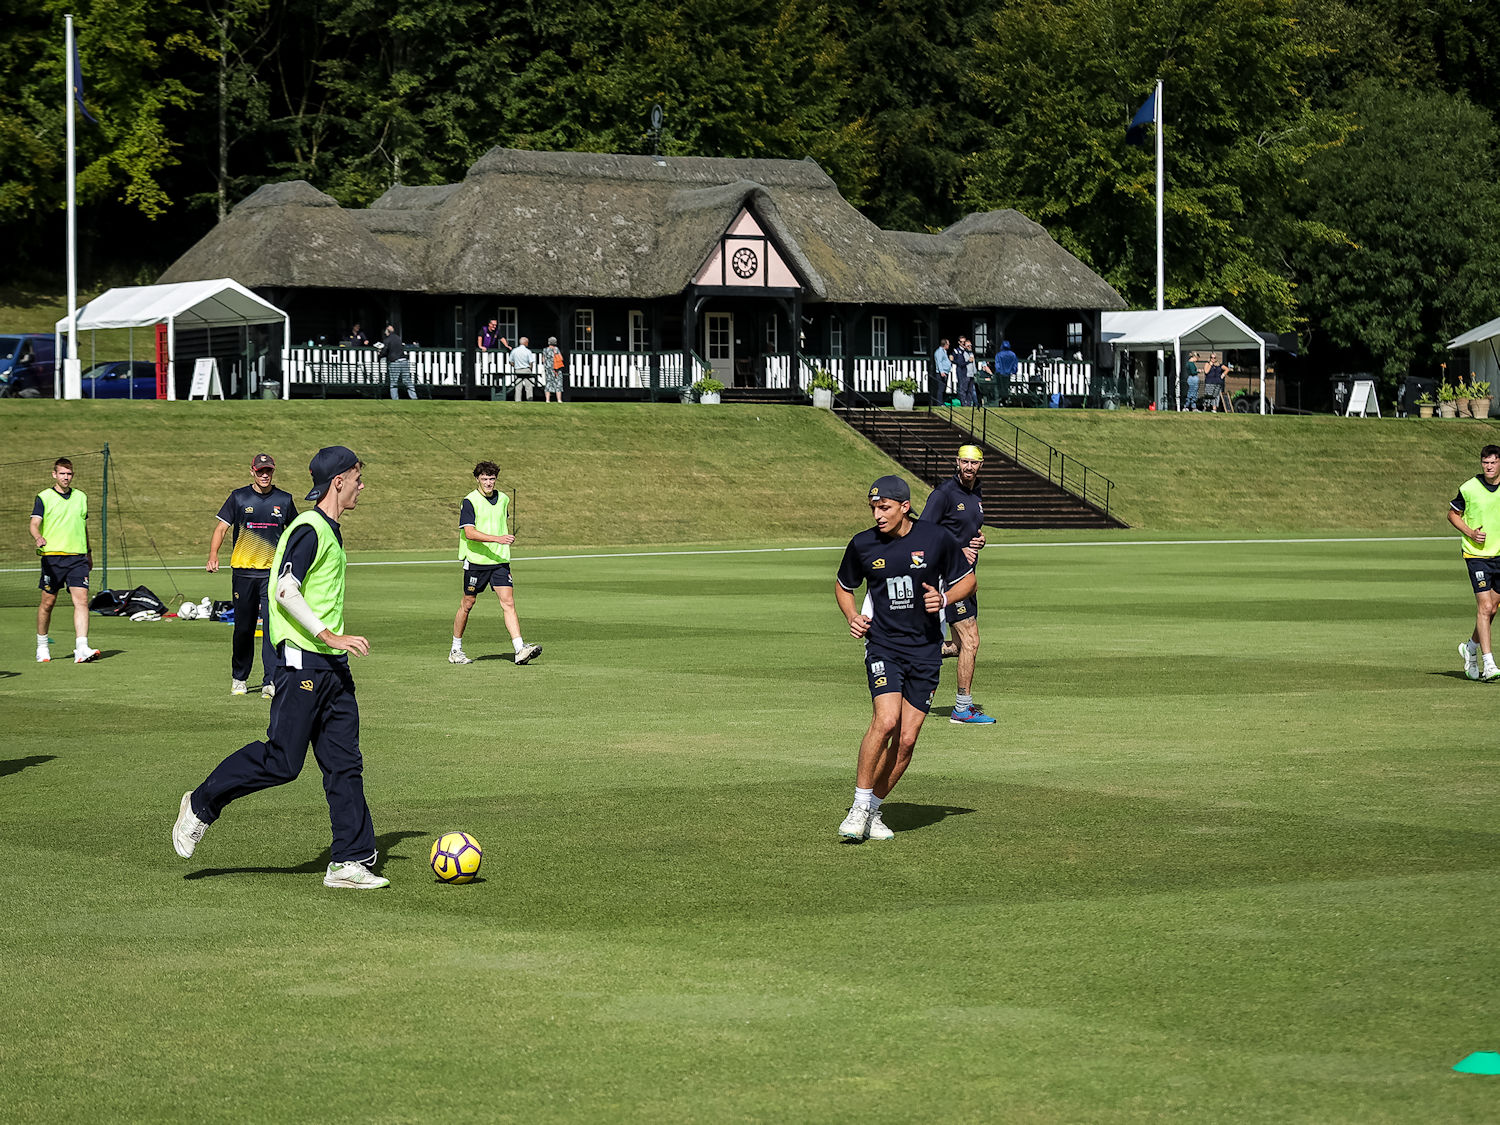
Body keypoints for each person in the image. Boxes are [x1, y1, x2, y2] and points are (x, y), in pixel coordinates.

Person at [173, 446, 389, 890]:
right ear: (338, 482)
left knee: (345, 764)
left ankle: (347, 860)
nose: (362, 485)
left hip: (333, 668)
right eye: (357, 477)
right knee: (282, 762)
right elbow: (288, 589)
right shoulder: (310, 528)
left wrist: (334, 647)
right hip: (304, 663)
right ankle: (200, 804)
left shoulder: (329, 529)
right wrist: (329, 635)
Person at [834, 475, 975, 842]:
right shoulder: (862, 544)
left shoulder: (935, 539)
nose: (877, 515)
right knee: (886, 720)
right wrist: (852, 616)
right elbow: (844, 585)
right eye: (873, 509)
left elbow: (968, 581)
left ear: (904, 506)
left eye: (884, 508)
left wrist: (943, 600)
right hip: (884, 647)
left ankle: (875, 810)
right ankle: (859, 806)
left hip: (927, 652)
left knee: (908, 739)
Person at [207, 453, 298, 697]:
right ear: (252, 472)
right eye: (260, 471)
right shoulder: (239, 497)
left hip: (271, 574)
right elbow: (222, 527)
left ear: (273, 471)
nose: (264, 475)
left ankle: (270, 680)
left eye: (268, 471)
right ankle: (239, 677)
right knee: (244, 629)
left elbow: (296, 534)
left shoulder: (285, 500)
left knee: (272, 629)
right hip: (243, 572)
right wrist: (213, 555)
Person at [923, 445, 995, 724]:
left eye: (973, 463)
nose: (968, 467)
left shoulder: (976, 494)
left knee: (956, 645)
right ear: (956, 462)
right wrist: (955, 551)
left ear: (980, 465)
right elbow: (924, 533)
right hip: (949, 577)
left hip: (967, 578)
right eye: (964, 462)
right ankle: (962, 708)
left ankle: (917, 650)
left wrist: (979, 540)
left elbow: (967, 530)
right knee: (971, 641)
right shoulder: (943, 494)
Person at [449, 461, 542, 665]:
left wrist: (505, 540)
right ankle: (456, 649)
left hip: (499, 560)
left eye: (492, 479)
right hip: (476, 561)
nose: (488, 482)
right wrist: (498, 538)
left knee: (508, 602)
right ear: (477, 479)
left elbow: (499, 522)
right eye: (484, 479)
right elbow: (470, 533)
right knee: (468, 603)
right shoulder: (470, 501)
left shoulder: (504, 499)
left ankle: (519, 649)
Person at [30, 457, 99, 663]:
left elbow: (82, 526)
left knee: (82, 601)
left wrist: (88, 553)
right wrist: (38, 537)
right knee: (48, 603)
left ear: (73, 475)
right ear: (54, 474)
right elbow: (34, 523)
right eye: (62, 473)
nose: (66, 477)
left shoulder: (81, 497)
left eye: (69, 474)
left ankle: (82, 648)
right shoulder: (44, 497)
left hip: (77, 558)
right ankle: (42, 645)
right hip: (53, 558)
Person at [1451, 444, 1500, 682]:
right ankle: (1489, 663)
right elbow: (1452, 514)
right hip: (1476, 554)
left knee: (1492, 608)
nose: (1488, 467)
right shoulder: (1469, 487)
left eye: (1492, 462)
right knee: (1484, 606)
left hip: (1499, 555)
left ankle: (1470, 648)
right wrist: (1470, 533)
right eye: (1485, 462)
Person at [378, 324, 416, 400]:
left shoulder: (387, 340)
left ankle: (395, 398)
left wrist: (379, 354)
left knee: (393, 382)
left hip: (395, 361)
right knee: (407, 380)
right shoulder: (398, 338)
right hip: (404, 360)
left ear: (387, 331)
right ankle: (414, 397)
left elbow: (385, 351)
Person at [500, 335, 536, 401]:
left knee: (518, 386)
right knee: (529, 387)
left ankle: (517, 400)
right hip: (526, 370)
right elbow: (531, 362)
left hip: (518, 370)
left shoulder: (514, 351)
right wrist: (530, 369)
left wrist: (515, 366)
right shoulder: (528, 351)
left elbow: (510, 361)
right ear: (525, 343)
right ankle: (530, 399)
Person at [541, 336, 565, 403]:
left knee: (548, 383)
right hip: (557, 369)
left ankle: (547, 400)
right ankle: (559, 400)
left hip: (548, 369)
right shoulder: (556, 349)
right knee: (558, 384)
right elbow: (561, 358)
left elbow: (543, 360)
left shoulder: (545, 350)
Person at [954, 335, 976, 407]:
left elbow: (973, 365)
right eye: (968, 346)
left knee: (970, 391)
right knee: (964, 389)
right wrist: (969, 361)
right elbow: (961, 364)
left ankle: (969, 404)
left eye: (970, 345)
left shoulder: (971, 353)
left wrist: (975, 372)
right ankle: (963, 403)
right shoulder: (963, 353)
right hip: (966, 374)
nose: (970, 347)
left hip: (971, 374)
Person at [932, 338, 952, 404]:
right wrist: (942, 372)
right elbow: (939, 362)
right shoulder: (939, 352)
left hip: (946, 371)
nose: (949, 345)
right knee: (941, 389)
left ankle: (942, 402)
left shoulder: (944, 351)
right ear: (945, 344)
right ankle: (939, 403)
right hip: (941, 373)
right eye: (948, 344)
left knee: (943, 388)